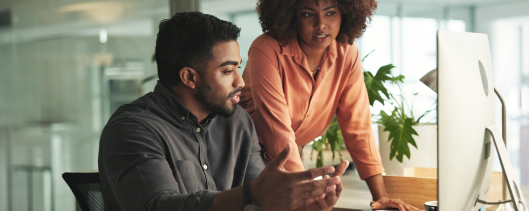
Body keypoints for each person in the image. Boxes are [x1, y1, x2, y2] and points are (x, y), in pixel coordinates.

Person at [98, 12, 348, 211]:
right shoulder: (132, 129)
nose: (240, 82)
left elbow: (260, 202)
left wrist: (304, 208)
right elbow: (158, 206)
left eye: (239, 68)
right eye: (228, 71)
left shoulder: (237, 121)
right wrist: (252, 195)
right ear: (189, 77)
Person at [239, 0, 421, 211]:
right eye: (308, 14)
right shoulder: (266, 50)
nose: (321, 25)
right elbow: (275, 128)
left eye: (330, 13)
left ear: (345, 12)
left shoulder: (347, 53)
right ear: (290, 15)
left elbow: (358, 128)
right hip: (243, 156)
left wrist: (380, 198)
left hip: (291, 155)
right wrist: (303, 192)